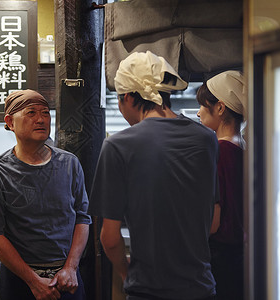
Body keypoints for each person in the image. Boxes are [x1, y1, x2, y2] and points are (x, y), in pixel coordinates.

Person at [89, 51, 219, 300]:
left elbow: (109, 238)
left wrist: (126, 274)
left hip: (148, 291)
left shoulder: (118, 146)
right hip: (201, 288)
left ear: (127, 97)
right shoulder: (206, 139)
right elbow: (213, 222)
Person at [0, 89, 91, 300]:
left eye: (45, 112)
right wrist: (33, 281)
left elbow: (82, 218)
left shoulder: (69, 163)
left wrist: (71, 267)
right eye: (31, 113)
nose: (41, 119)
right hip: (18, 281)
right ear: (10, 122)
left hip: (66, 280)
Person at [196, 70, 245, 300]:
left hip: (218, 258)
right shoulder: (245, 151)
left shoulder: (217, 152)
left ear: (220, 107)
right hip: (241, 257)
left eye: (203, 105)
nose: (198, 112)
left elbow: (212, 222)